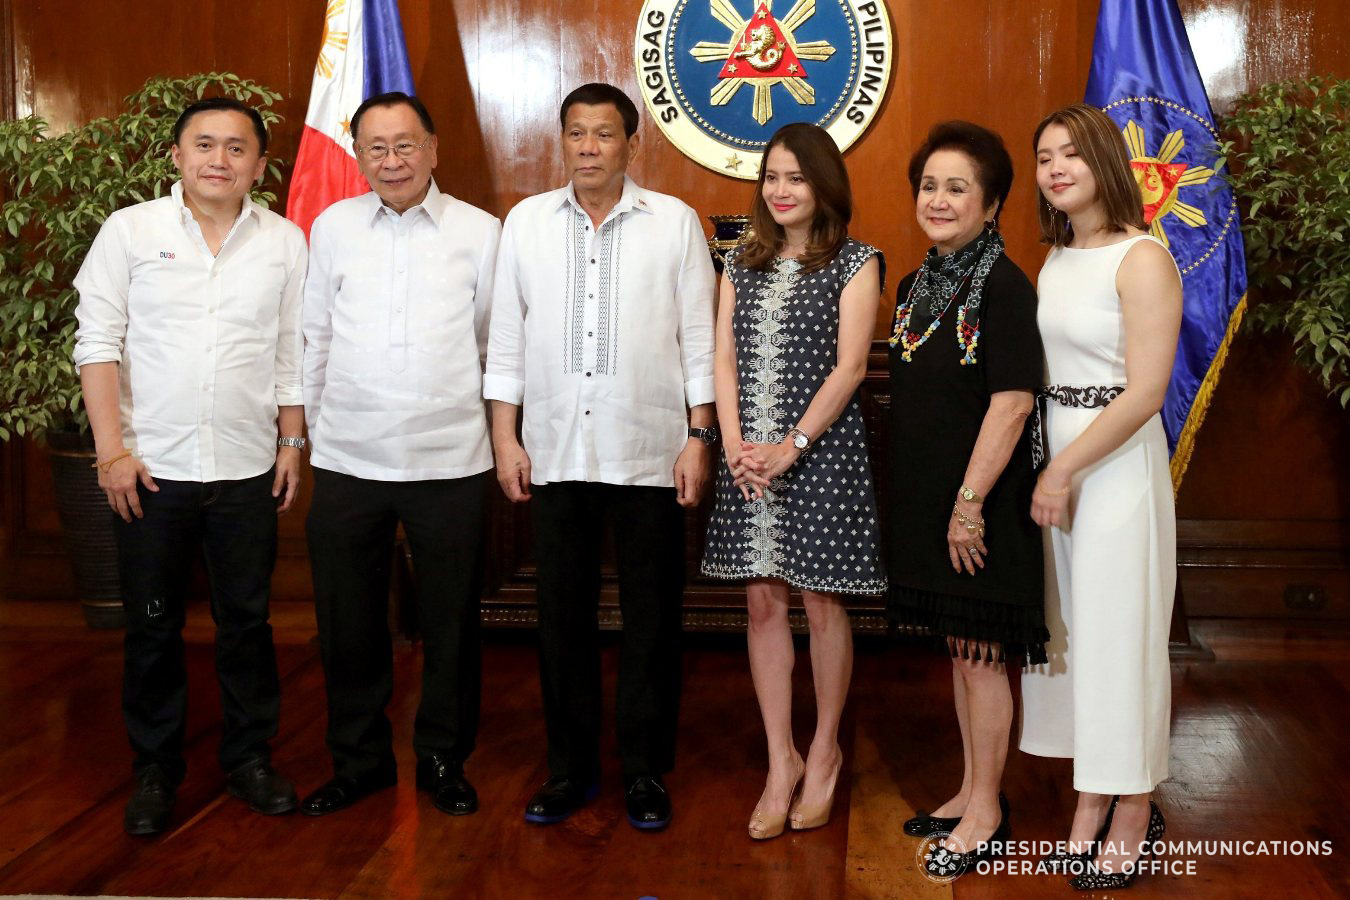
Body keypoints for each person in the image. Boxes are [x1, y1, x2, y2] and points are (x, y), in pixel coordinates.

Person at [484, 82, 717, 831]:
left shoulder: (674, 224)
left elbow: (699, 341)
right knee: (562, 621)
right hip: (554, 451)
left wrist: (698, 435)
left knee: (653, 620)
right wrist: (504, 437)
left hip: (649, 452)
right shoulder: (524, 224)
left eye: (604, 134)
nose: (589, 147)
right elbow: (507, 342)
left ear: (630, 143)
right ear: (563, 142)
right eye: (577, 134)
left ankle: (646, 771)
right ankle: (570, 769)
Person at [73, 97, 307, 835]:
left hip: (244, 467)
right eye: (203, 145)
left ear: (259, 166)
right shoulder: (131, 232)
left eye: (237, 148)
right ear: (175, 156)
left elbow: (292, 352)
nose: (219, 159)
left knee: (247, 623)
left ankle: (248, 759)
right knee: (151, 627)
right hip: (151, 469)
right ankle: (155, 770)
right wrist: (111, 451)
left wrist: (292, 443)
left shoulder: (284, 242)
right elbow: (97, 343)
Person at [299, 92, 500, 818]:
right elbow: (314, 337)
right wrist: (308, 438)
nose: (392, 160)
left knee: (450, 623)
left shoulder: (481, 233)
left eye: (405, 145)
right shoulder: (330, 228)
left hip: (451, 460)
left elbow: (492, 344)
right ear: (358, 156)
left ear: (434, 149)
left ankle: (445, 760)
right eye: (376, 148)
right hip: (348, 458)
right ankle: (359, 763)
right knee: (348, 622)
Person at [700, 123, 884, 840]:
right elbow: (722, 360)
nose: (781, 190)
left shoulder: (856, 260)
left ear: (824, 186)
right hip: (747, 456)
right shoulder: (738, 263)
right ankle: (780, 760)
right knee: (761, 603)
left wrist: (792, 445)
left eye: (796, 178)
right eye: (772, 176)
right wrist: (739, 442)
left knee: (821, 603)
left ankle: (827, 748)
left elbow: (849, 367)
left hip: (823, 454)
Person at [1019, 103, 1181, 891]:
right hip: (1061, 450)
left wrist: (1063, 468)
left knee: (1124, 636)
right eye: (1045, 156)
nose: (1055, 168)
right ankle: (1091, 787)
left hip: (1112, 466)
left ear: (1105, 163)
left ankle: (1128, 805)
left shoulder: (1143, 257)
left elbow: (1146, 392)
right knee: (1072, 635)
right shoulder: (1055, 257)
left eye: (1071, 154)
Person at [884, 122, 1047, 876]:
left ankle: (987, 810)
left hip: (978, 508)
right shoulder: (917, 284)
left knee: (983, 657)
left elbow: (1012, 404)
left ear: (993, 203)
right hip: (931, 500)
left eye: (957, 188)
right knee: (960, 653)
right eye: (929, 186)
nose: (939, 200)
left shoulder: (1007, 286)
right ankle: (969, 788)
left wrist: (969, 503)